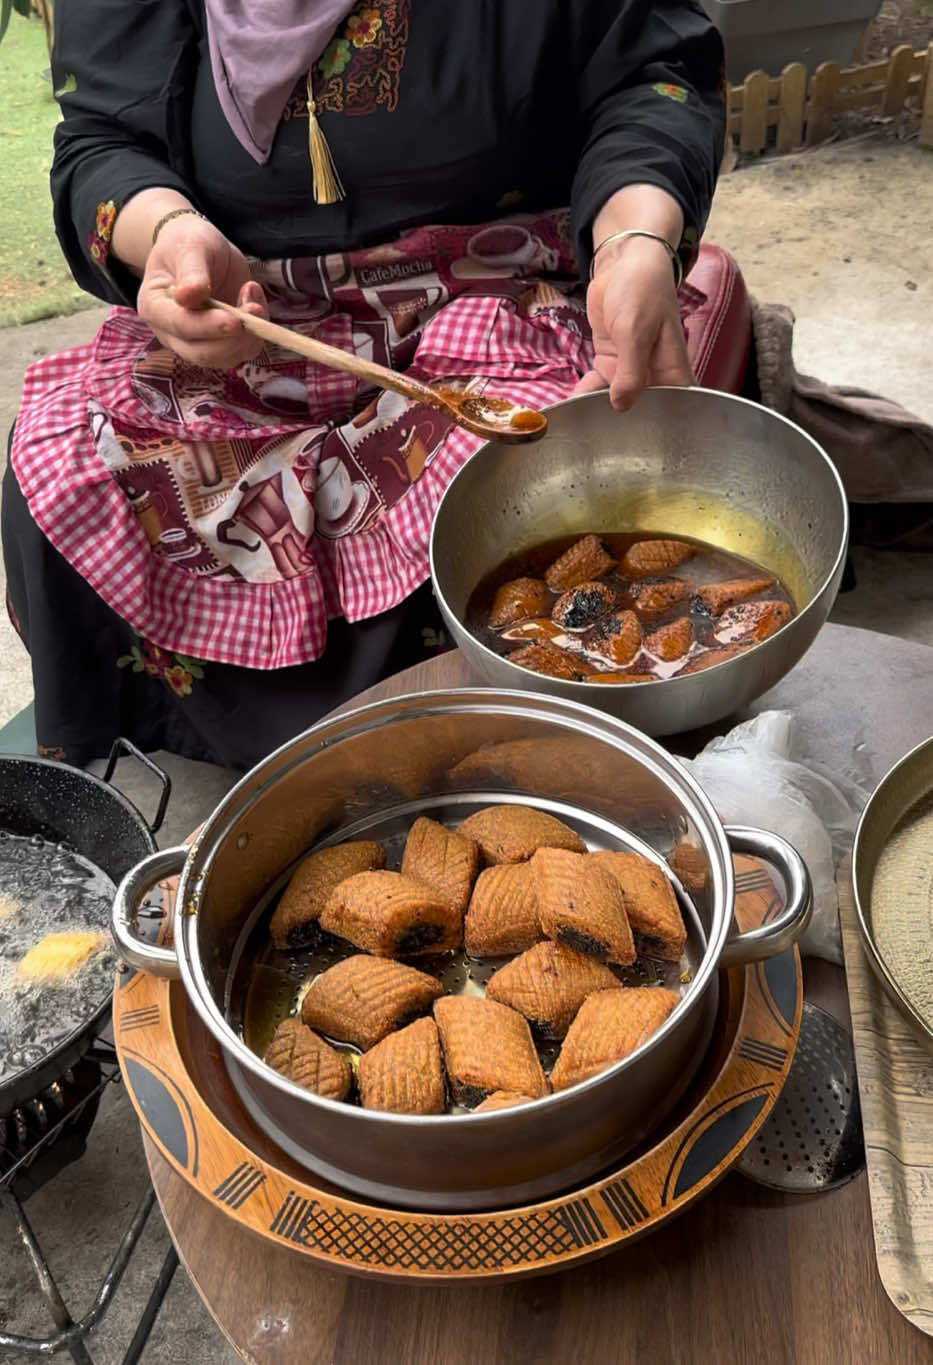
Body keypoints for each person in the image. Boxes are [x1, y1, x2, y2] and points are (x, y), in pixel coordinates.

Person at [3, 0, 725, 771]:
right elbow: (102, 140)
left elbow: (651, 76)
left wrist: (630, 238)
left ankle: (504, 755)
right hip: (241, 302)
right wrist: (167, 234)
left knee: (526, 462)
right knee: (71, 458)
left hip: (486, 284)